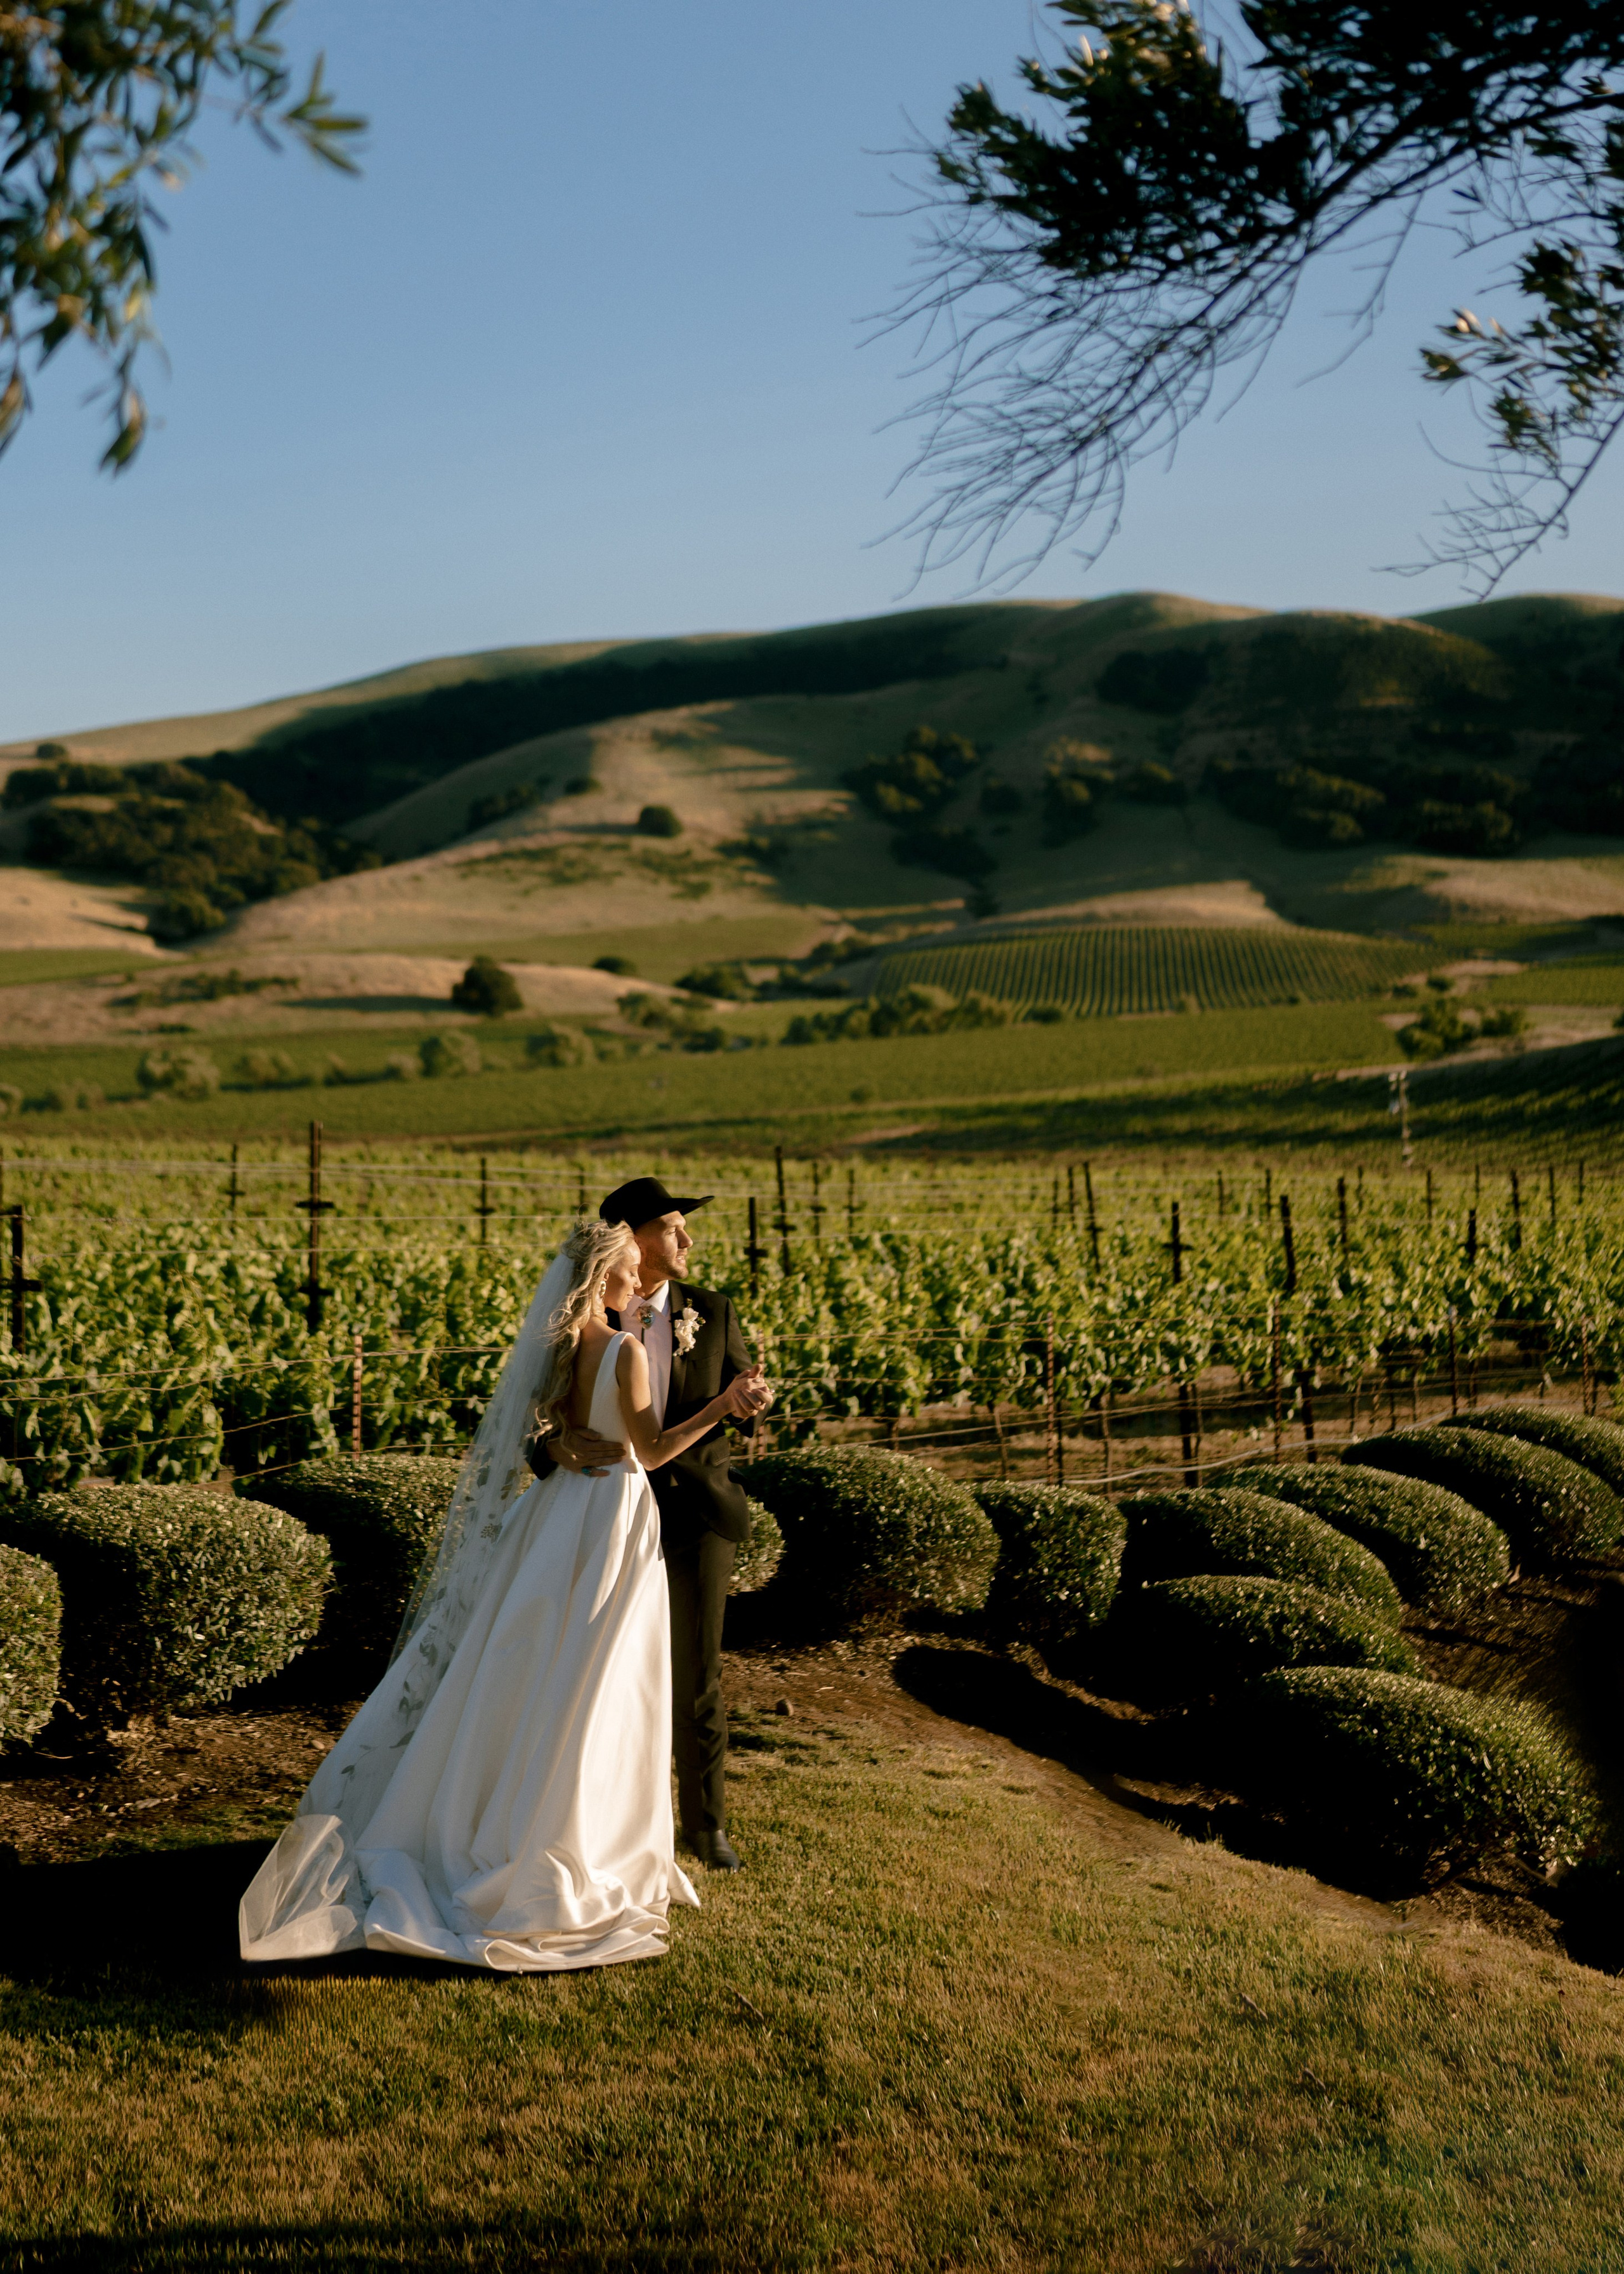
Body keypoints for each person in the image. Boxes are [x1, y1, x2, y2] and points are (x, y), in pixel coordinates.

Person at [239, 1214, 763, 1971]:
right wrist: (721, 1405)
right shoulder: (621, 1350)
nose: (637, 1283)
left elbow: (556, 1426)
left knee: (528, 1669)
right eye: (626, 1273)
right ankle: (572, 1833)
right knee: (601, 1680)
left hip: (554, 1517)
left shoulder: (563, 1350)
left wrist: (566, 1440)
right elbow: (647, 1452)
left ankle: (505, 1815)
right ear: (607, 1278)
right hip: (612, 1515)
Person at [537, 1176, 772, 1872]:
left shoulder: (713, 1309)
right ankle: (598, 1814)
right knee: (596, 1670)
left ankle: (705, 1824)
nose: (687, 1240)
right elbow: (543, 1416)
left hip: (694, 1512)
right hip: (607, 1513)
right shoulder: (583, 1321)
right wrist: (554, 1446)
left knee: (696, 1670)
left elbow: (743, 1390)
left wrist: (752, 1398)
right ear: (632, 1239)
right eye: (672, 1227)